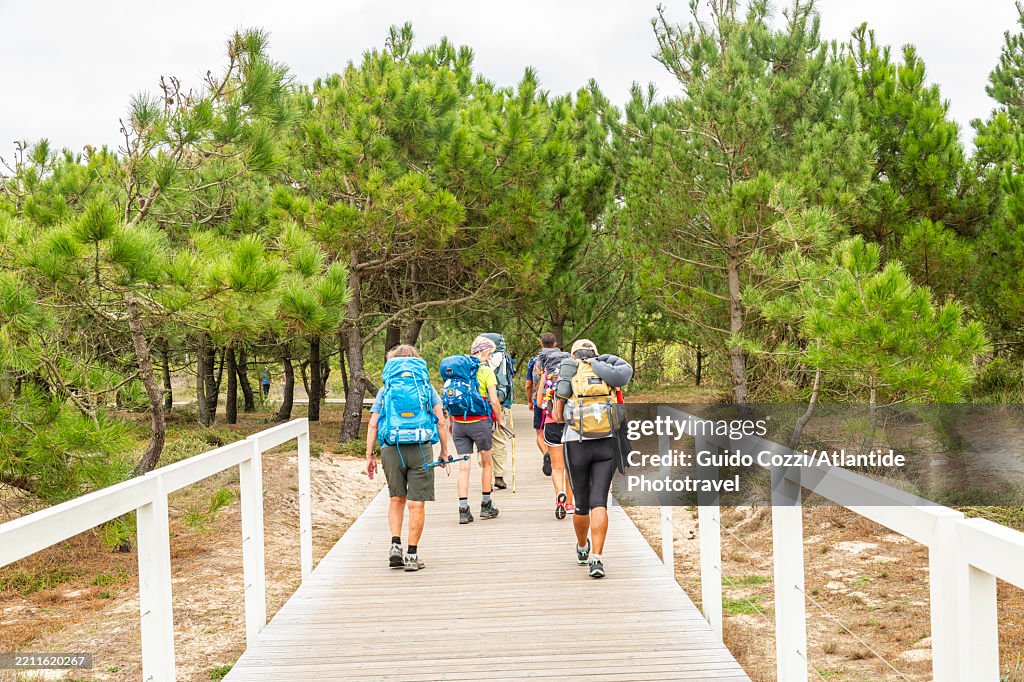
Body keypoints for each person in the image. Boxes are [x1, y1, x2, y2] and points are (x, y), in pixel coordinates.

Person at [366, 345, 451, 571]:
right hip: (420, 447)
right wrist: (444, 451)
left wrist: (369, 455)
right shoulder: (426, 387)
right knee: (416, 503)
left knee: (396, 499)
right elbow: (441, 421)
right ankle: (412, 556)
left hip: (391, 448)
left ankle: (395, 545)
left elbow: (373, 424)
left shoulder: (387, 388)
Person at [553, 339, 633, 578]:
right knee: (599, 501)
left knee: (580, 503)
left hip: (576, 443)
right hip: (606, 442)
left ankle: (582, 548)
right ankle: (597, 559)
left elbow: (558, 416)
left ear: (574, 355)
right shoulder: (607, 373)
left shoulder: (569, 373)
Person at [446, 336, 504, 524]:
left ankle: (463, 510)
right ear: (483, 352)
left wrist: (450, 420)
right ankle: (486, 506)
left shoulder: (458, 371)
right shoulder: (486, 372)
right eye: (489, 354)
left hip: (460, 424)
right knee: (487, 464)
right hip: (480, 422)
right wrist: (500, 420)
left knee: (464, 467)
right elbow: (494, 400)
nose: (489, 358)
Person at [535, 343, 573, 519]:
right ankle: (570, 503)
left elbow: (538, 404)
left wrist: (543, 379)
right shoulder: (572, 377)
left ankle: (559, 496)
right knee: (572, 466)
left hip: (552, 425)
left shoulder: (547, 378)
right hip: (571, 425)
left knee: (558, 467)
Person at [482, 332, 515, 490]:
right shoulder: (504, 359)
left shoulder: (479, 360)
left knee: (483, 441)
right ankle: (499, 475)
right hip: (498, 404)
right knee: (499, 440)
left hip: (480, 406)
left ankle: (485, 474)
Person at [526, 333, 558, 478]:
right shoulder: (562, 359)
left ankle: (546, 454)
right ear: (555, 344)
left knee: (540, 433)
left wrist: (529, 401)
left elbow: (528, 385)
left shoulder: (534, 361)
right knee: (556, 430)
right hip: (557, 400)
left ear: (541, 344)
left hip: (540, 399)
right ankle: (555, 456)